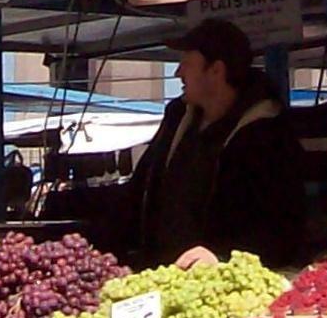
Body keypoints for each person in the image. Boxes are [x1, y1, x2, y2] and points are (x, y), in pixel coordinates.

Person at [124, 18, 310, 269]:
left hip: (222, 285)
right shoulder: (177, 116)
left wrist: (221, 257)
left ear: (216, 71)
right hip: (159, 275)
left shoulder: (266, 134)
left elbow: (281, 226)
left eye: (187, 64)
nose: (178, 73)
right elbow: (140, 189)